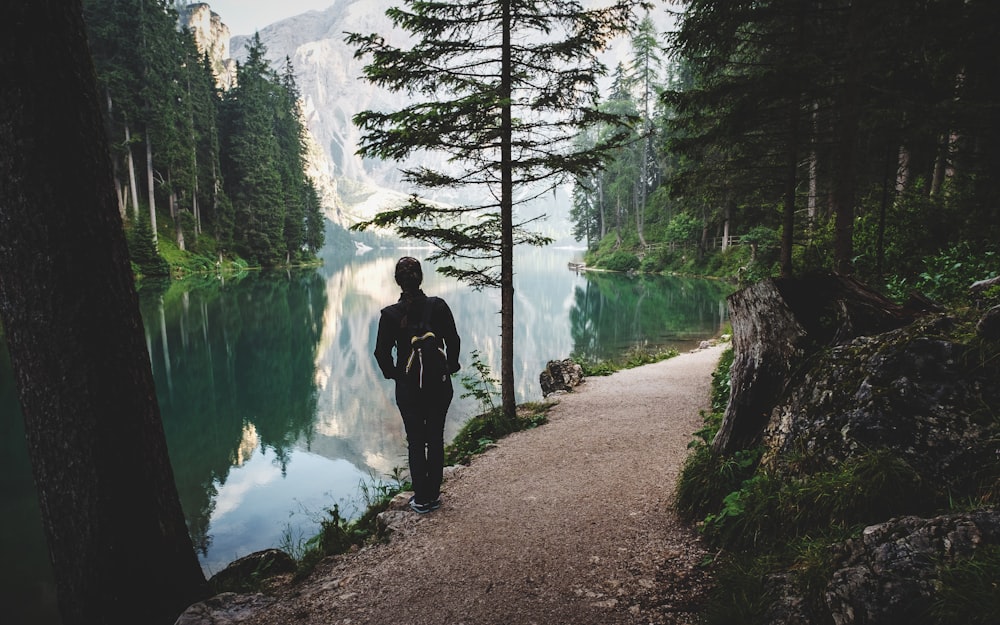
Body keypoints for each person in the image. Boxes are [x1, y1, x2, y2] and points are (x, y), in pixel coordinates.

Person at [374, 257, 461, 514]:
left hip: (408, 388)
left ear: (398, 281)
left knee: (415, 440)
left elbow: (381, 353)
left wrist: (394, 374)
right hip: (439, 384)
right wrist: (450, 366)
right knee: (435, 437)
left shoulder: (390, 315)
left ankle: (421, 498)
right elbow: (453, 340)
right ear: (420, 278)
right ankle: (434, 494)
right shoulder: (438, 306)